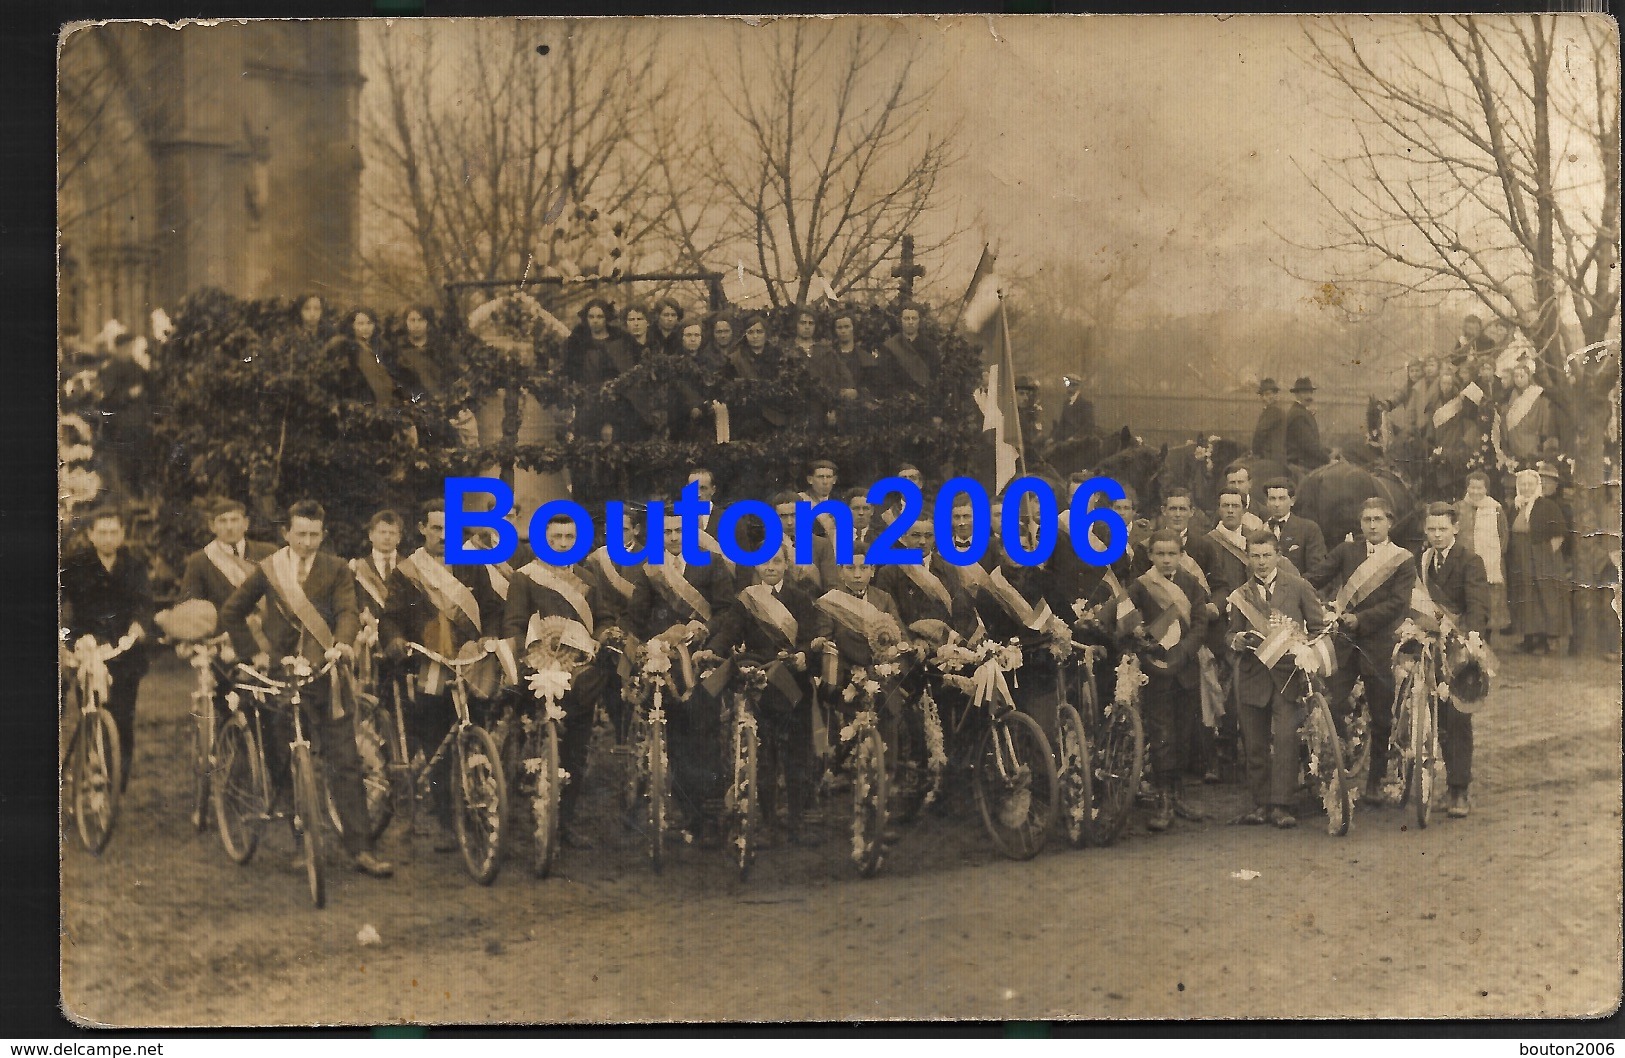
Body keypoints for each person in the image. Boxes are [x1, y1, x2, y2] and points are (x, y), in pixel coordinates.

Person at [220, 500, 392, 877]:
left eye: (315, 535)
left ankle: (361, 849)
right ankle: (301, 842)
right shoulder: (269, 570)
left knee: (345, 763)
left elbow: (347, 611)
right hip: (280, 675)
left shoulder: (336, 568)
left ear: (323, 535)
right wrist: (254, 655)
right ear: (287, 534)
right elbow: (231, 611)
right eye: (301, 534)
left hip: (325, 674)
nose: (307, 542)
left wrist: (344, 642)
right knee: (286, 759)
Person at [378, 500, 509, 851]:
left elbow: (493, 608)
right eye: (435, 528)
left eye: (449, 528)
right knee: (438, 747)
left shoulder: (473, 566)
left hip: (470, 665)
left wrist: (491, 636)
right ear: (422, 529)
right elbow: (389, 617)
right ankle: (449, 823)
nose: (442, 535)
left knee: (476, 738)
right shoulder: (407, 571)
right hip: (429, 665)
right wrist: (395, 641)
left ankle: (480, 813)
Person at [503, 512, 623, 848]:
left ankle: (564, 823)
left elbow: (604, 619)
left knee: (575, 752)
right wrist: (525, 660)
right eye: (555, 538)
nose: (562, 544)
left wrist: (601, 636)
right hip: (539, 674)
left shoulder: (587, 578)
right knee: (535, 745)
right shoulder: (524, 578)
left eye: (569, 538)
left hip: (581, 678)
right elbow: (513, 624)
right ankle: (530, 813)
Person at [627, 513, 737, 846]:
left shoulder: (712, 563)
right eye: (667, 532)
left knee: (703, 738)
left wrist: (705, 631)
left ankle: (708, 816)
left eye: (680, 530)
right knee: (675, 740)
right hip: (666, 667)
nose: (674, 537)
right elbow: (637, 616)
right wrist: (649, 647)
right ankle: (688, 813)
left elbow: (727, 611)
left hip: (703, 661)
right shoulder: (650, 568)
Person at [696, 547, 818, 847]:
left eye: (777, 561)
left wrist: (803, 655)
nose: (771, 567)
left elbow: (808, 637)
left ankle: (797, 820)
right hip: (759, 680)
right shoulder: (746, 600)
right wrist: (714, 649)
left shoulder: (801, 599)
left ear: (787, 564)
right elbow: (729, 632)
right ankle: (767, 821)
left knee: (796, 755)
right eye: (764, 562)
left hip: (793, 683)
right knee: (763, 755)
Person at [1308, 496, 1416, 804]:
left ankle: (1375, 780)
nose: (1372, 525)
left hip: (1379, 645)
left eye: (1378, 519)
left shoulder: (1402, 559)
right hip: (1343, 644)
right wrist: (1289, 588)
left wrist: (1362, 619)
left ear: (1389, 522)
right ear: (1360, 524)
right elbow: (1315, 578)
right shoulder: (1346, 551)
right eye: (1367, 520)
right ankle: (1335, 771)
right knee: (1330, 703)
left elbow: (1398, 603)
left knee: (1382, 717)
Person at [1227, 530, 1328, 829]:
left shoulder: (1297, 586)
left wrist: (1302, 647)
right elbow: (1229, 633)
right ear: (1247, 557)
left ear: (1278, 556)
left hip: (1288, 678)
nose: (1260, 562)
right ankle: (1261, 804)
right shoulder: (1240, 595)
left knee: (1285, 740)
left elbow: (1319, 628)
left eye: (1266, 555)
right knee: (1255, 744)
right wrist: (1237, 640)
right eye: (1255, 556)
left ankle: (1283, 805)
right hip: (1253, 675)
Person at [1121, 528, 1211, 832]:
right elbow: (1122, 616)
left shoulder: (1191, 584)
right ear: (1151, 556)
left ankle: (1178, 793)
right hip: (1156, 671)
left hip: (1184, 669)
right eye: (1160, 554)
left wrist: (1184, 652)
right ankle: (1162, 797)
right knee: (1162, 735)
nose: (1167, 560)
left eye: (1172, 554)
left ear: (1181, 554)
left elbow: (1200, 624)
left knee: (1184, 733)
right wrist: (1139, 635)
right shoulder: (1141, 586)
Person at [61, 507, 153, 793]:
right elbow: (62, 606)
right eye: (102, 532)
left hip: (125, 652)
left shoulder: (135, 566)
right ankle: (92, 769)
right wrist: (67, 642)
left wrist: (137, 629)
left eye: (114, 532)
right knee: (92, 711)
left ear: (123, 534)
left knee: (123, 717)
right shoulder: (75, 565)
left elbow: (144, 605)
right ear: (90, 534)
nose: (108, 537)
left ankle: (117, 787)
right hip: (86, 649)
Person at [1417, 502, 1490, 818]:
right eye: (1431, 529)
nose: (1436, 535)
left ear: (1455, 528)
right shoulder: (1424, 561)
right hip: (1429, 649)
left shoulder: (1470, 561)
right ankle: (1446, 785)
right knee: (1438, 719)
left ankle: (1459, 790)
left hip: (1460, 649)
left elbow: (1477, 605)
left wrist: (1472, 636)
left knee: (1459, 718)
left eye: (1442, 529)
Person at [1505, 467, 1570, 654]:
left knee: (1542, 596)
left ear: (1537, 486)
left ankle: (1544, 641)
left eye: (1530, 484)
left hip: (1541, 557)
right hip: (1520, 558)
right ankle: (1528, 638)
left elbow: (1559, 534)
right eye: (1523, 484)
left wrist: (1546, 557)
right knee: (1524, 597)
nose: (1526, 488)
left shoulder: (1547, 506)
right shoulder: (1515, 506)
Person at [179, 499, 278, 611]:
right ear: (212, 526)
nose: (229, 527)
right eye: (222, 521)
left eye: (234, 520)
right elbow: (190, 607)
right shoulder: (200, 561)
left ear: (246, 523)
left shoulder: (268, 553)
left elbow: (283, 597)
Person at [97, 333, 155, 496]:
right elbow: (107, 399)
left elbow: (150, 388)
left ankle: (138, 491)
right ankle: (127, 494)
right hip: (122, 423)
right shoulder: (110, 369)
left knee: (141, 459)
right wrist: (129, 394)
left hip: (141, 421)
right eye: (126, 347)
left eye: (131, 347)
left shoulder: (137, 367)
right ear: (118, 349)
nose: (129, 350)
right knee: (125, 461)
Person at [1457, 471, 1511, 634]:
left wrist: (1495, 556)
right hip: (1464, 560)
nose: (1475, 491)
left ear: (1486, 489)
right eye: (1472, 487)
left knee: (1488, 598)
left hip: (1490, 563)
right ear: (1467, 488)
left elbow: (1504, 534)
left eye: (1479, 488)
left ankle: (1487, 635)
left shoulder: (1495, 508)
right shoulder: (1459, 508)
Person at [1261, 478, 1327, 576]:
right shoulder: (1260, 529)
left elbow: (1317, 570)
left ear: (1292, 501)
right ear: (1266, 502)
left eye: (1282, 498)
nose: (1277, 504)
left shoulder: (1308, 529)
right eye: (1272, 499)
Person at [1497, 360, 1555, 468]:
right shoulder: (1511, 394)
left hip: (1531, 439)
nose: (1518, 379)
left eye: (1522, 376)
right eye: (1515, 376)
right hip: (1513, 437)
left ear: (1529, 376)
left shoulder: (1537, 394)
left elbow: (1543, 418)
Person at [350, 509, 404, 621]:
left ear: (399, 538)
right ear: (371, 535)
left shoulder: (408, 567)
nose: (387, 537)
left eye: (392, 533)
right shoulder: (357, 568)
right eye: (382, 532)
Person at [877, 303, 939, 394]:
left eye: (914, 318)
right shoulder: (890, 346)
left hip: (926, 398)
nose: (910, 322)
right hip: (899, 399)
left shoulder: (930, 346)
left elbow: (935, 374)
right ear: (900, 321)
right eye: (906, 318)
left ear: (919, 321)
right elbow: (886, 377)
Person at [1283, 377, 1329, 469]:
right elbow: (1309, 444)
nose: (1308, 396)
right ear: (1296, 394)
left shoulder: (1302, 412)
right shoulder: (1297, 415)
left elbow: (1312, 442)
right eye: (1304, 393)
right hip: (1301, 464)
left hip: (1307, 461)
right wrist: (1328, 459)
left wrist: (1329, 451)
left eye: (1310, 392)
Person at [1055, 374, 1097, 445]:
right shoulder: (1066, 403)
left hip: (1079, 442)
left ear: (1077, 387)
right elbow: (1062, 424)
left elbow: (1089, 425)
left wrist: (1075, 438)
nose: (1068, 388)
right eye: (1067, 386)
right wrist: (1053, 438)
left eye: (1071, 385)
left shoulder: (1086, 404)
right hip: (1065, 441)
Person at [1251, 378, 1287, 462]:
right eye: (1262, 395)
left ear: (1275, 395)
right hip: (1272, 456)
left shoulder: (1274, 410)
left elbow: (1260, 431)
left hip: (1270, 458)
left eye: (1267, 394)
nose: (1264, 398)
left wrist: (1255, 452)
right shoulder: (1271, 410)